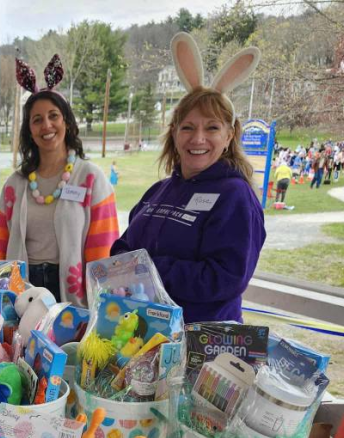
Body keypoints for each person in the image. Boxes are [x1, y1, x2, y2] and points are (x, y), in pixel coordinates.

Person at [110, 33, 265, 323]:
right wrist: (123, 261)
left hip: (200, 344)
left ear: (229, 135)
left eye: (212, 128)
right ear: (174, 132)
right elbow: (123, 246)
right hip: (144, 333)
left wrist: (148, 269)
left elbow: (226, 277)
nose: (198, 138)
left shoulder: (235, 196)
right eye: (188, 127)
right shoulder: (160, 190)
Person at [0, 54, 118, 306]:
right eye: (37, 119)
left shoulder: (91, 179)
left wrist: (102, 306)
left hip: (72, 293)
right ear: (30, 130)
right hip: (22, 291)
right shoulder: (15, 185)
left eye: (53, 115)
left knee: (65, 348)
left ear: (66, 121)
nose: (46, 125)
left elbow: (103, 253)